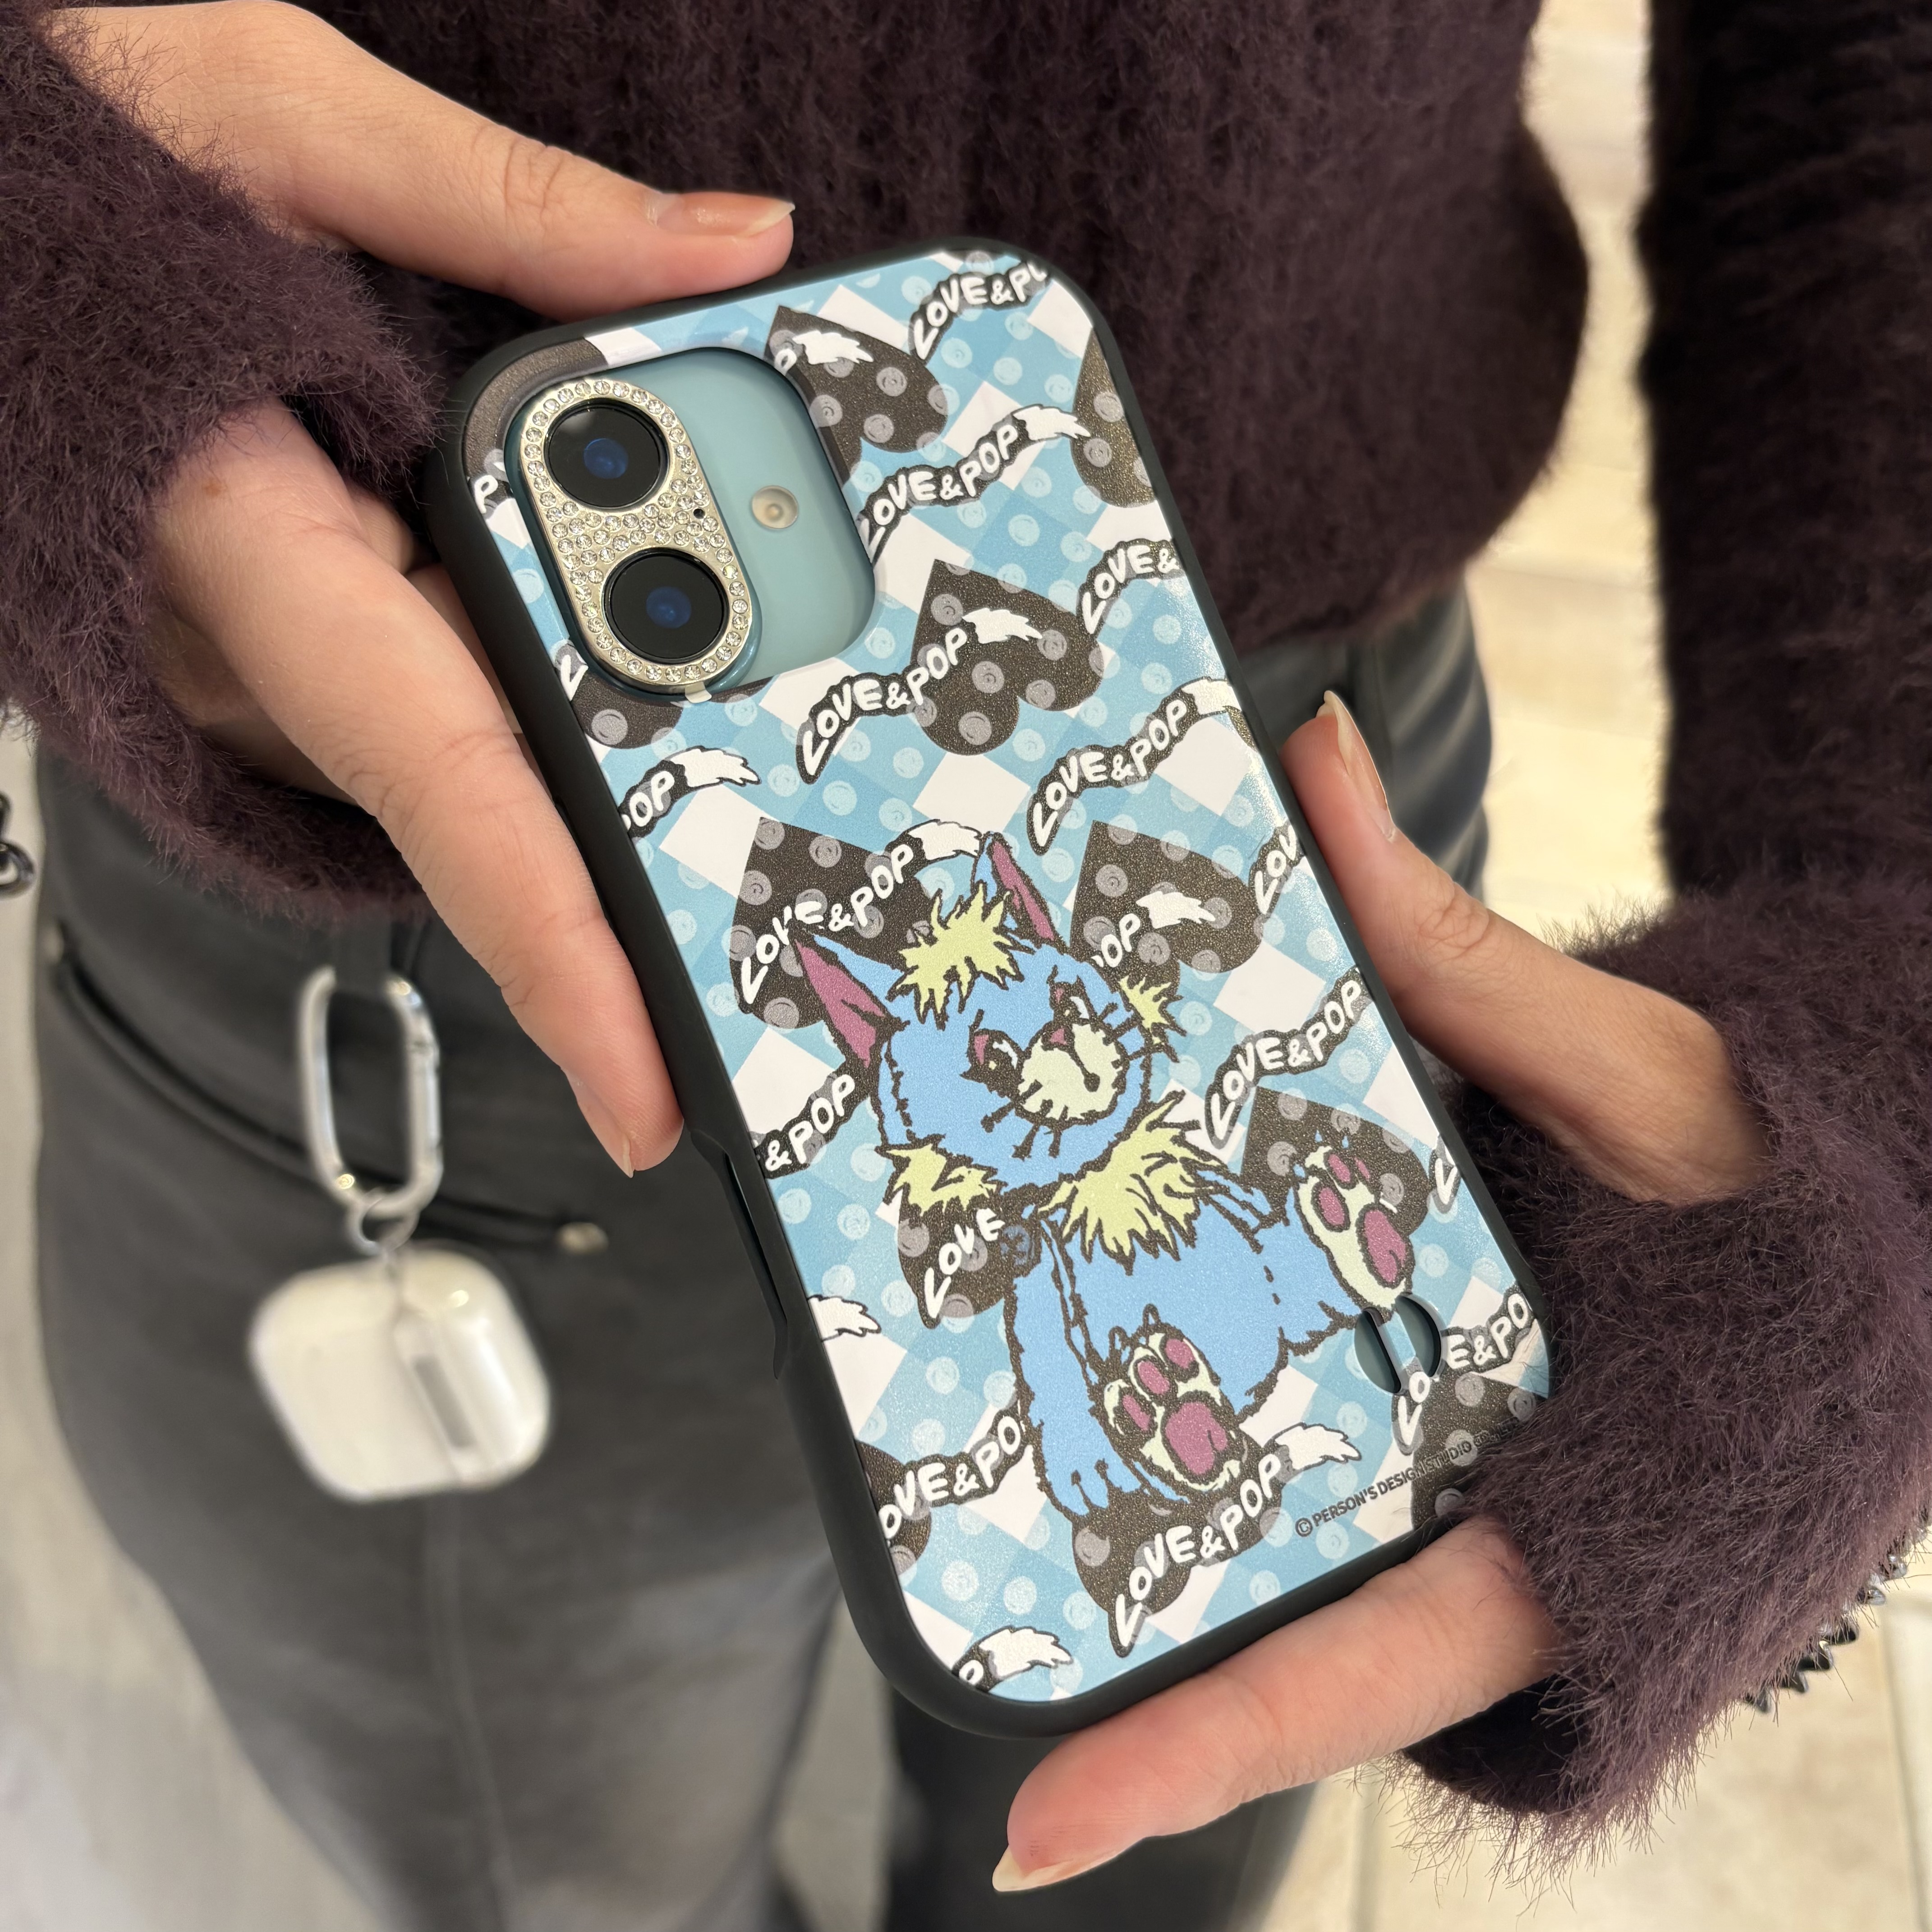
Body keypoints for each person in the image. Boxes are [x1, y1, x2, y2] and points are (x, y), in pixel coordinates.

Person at [2, 0, 1924, 1925]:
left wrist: (1885, 987)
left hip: (1279, 841)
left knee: (1161, 1838)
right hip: (370, 840)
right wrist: (46, 252)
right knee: (570, 1885)